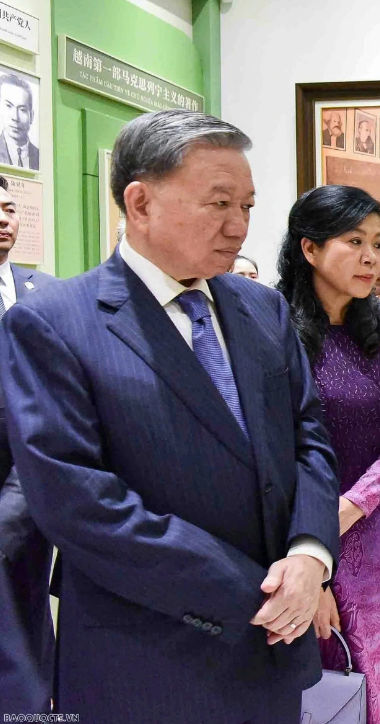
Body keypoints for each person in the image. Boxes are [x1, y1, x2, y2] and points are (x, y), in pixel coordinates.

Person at [0, 110, 339, 722]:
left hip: (273, 652)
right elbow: (78, 502)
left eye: (248, 206)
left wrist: (312, 554)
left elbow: (309, 436)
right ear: (140, 201)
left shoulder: (263, 309)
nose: (239, 227)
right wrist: (258, 591)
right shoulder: (54, 323)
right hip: (146, 651)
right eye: (218, 204)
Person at [277, 185, 380, 724]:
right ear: (310, 248)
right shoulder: (274, 331)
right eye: (354, 241)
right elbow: (276, 448)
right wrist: (313, 562)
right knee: (327, 681)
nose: (373, 258)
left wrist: (357, 503)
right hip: (300, 529)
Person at [0, 173, 56, 712]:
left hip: (29, 489)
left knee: (26, 617)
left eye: (10, 209)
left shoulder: (48, 294)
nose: (3, 219)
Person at [0, 74, 37, 172]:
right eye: (8, 106)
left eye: (22, 110)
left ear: (31, 116)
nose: (15, 117)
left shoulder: (41, 156)